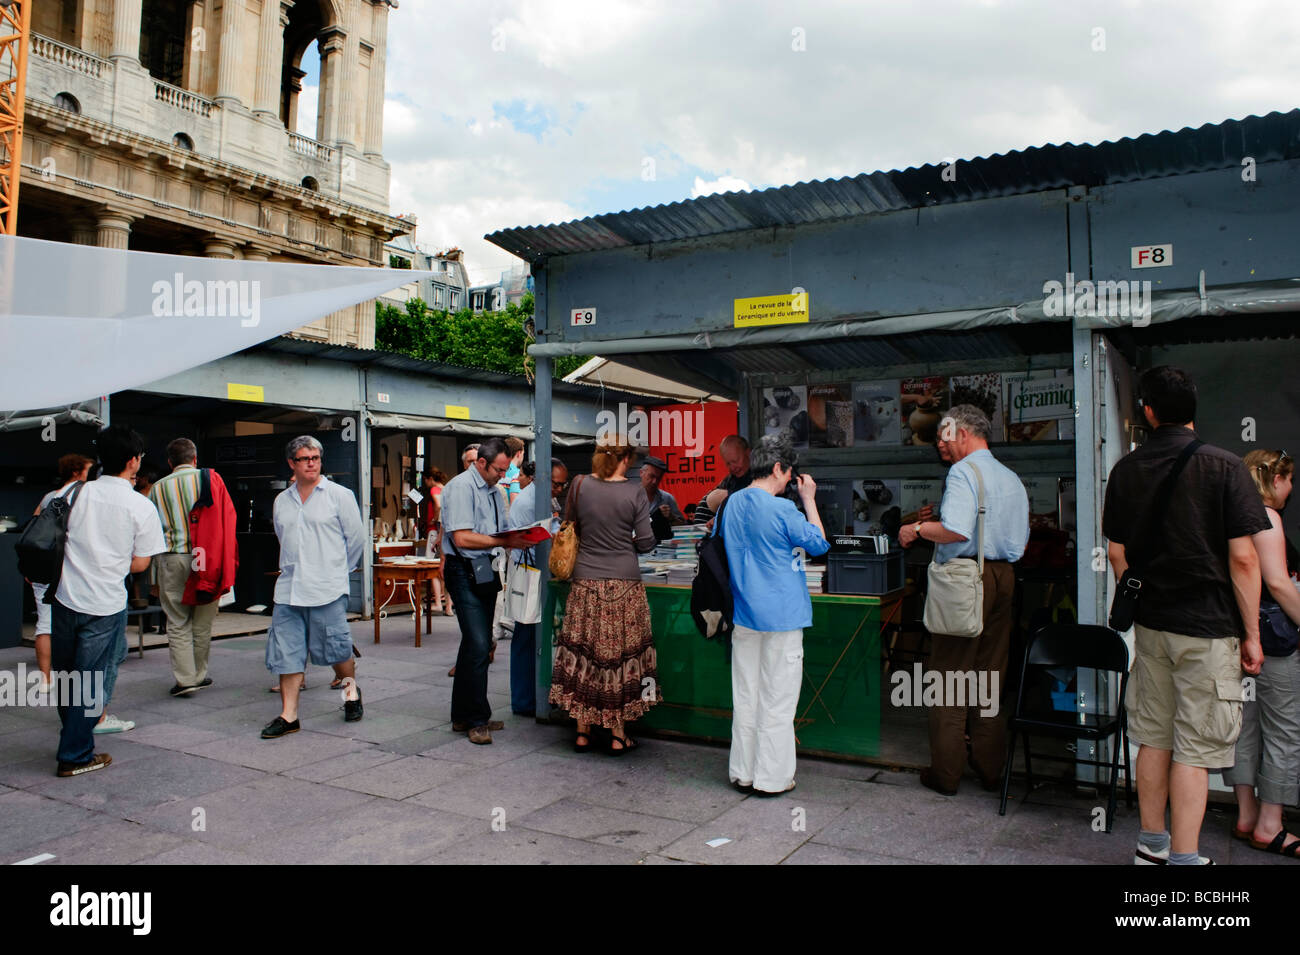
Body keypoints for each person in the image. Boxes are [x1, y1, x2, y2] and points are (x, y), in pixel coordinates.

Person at [1103, 366, 1268, 865]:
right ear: (1193, 408)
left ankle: (1150, 846)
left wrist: (1141, 594)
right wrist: (1253, 635)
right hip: (1208, 628)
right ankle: (1185, 858)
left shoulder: (1125, 470)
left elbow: (1116, 554)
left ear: (1147, 412)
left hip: (1151, 628)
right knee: (1195, 748)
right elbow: (1243, 559)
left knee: (1153, 738)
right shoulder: (1225, 467)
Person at [899, 403, 1028, 797]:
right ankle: (991, 769)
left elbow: (955, 530)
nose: (939, 442)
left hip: (965, 578)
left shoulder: (962, 472)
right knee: (989, 676)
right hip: (1004, 577)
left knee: (950, 677)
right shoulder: (1010, 477)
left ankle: (946, 774)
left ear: (966, 433)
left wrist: (917, 529)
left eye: (945, 434)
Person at [50, 426, 166, 775]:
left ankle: (71, 736)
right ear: (133, 461)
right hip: (104, 603)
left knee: (69, 677)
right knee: (89, 680)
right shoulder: (139, 506)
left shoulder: (75, 492)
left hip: (65, 597)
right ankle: (75, 755)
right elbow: (141, 562)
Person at [721, 434, 829, 794]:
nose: (789, 482)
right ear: (779, 468)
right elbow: (819, 545)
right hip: (782, 615)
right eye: (788, 475)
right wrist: (809, 500)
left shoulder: (732, 504)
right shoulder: (783, 509)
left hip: (744, 614)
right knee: (778, 699)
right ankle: (772, 778)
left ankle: (743, 772)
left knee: (747, 694)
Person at [549, 437, 661, 753]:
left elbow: (569, 525)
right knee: (620, 658)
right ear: (625, 459)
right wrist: (627, 541)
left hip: (585, 582)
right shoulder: (635, 492)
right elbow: (647, 542)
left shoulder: (580, 485)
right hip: (625, 583)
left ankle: (582, 731)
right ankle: (617, 733)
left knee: (585, 654)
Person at [1222, 449, 1300, 857]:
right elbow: (1279, 583)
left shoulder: (1229, 516)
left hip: (1235, 635)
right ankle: (1271, 824)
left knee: (1243, 727)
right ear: (1275, 480)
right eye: (1290, 479)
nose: (1292, 487)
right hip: (1273, 641)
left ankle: (1247, 815)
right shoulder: (1268, 519)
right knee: (1285, 731)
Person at [261, 436, 366, 739]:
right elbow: (283, 537)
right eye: (305, 458)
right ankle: (289, 715)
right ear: (292, 463)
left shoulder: (339, 495)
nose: (311, 463)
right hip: (289, 589)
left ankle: (350, 694)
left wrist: (337, 570)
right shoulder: (283, 500)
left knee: (337, 648)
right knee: (286, 652)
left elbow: (356, 540)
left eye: (316, 458)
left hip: (327, 587)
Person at [441, 436, 534, 743]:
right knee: (480, 644)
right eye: (498, 470)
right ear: (481, 463)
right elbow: (463, 538)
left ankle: (461, 716)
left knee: (474, 644)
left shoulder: (495, 490)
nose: (502, 476)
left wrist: (519, 537)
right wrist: (504, 541)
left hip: (487, 570)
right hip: (463, 570)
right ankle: (476, 719)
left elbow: (500, 530)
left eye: (506, 470)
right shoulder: (460, 487)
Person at [148, 438, 233, 697]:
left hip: (172, 557)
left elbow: (151, 534)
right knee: (203, 620)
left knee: (177, 620)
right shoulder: (210, 480)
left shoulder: (157, 489)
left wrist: (153, 576)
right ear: (195, 458)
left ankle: (185, 680)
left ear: (170, 462)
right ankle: (198, 674)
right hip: (205, 556)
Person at [506, 458, 569, 716]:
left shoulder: (545, 498)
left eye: (563, 485)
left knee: (539, 636)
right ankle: (524, 700)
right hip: (528, 572)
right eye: (556, 484)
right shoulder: (529, 501)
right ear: (543, 479)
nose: (559, 490)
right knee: (526, 636)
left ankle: (537, 693)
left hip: (541, 572)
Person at [28, 453, 94, 694]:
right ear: (77, 472)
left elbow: (33, 527)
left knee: (44, 622)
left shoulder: (49, 497)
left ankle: (45, 679)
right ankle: (72, 677)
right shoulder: (82, 496)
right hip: (68, 567)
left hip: (43, 566)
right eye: (88, 470)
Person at [693, 435, 752, 523]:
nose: (733, 467)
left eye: (735, 461)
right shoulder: (731, 479)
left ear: (748, 452)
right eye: (728, 464)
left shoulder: (761, 474)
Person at [419, 467, 454, 616]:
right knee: (446, 568)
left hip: (435, 531)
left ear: (429, 479)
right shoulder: (447, 489)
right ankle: (449, 607)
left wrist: (435, 518)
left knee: (431, 565)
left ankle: (438, 603)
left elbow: (438, 505)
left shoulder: (434, 490)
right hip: (447, 531)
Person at [640, 454, 686, 526]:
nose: (654, 481)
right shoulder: (628, 497)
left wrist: (671, 517)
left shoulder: (667, 498)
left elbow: (683, 526)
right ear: (641, 473)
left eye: (658, 478)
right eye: (651, 476)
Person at [502, 436, 526, 507]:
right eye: (523, 454)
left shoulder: (497, 471)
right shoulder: (518, 475)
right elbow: (516, 505)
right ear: (519, 453)